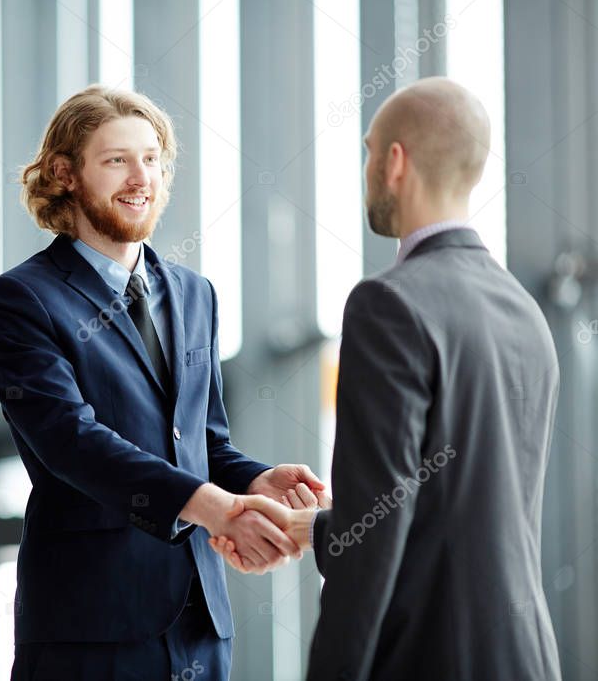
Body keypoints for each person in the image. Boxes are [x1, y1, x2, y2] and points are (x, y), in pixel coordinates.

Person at [212, 77, 562, 680]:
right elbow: (444, 511)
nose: (368, 169)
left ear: (395, 162)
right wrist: (322, 529)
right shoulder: (522, 309)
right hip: (523, 655)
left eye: (370, 152)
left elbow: (376, 545)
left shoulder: (388, 304)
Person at [0, 85, 327, 680]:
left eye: (152, 158)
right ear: (65, 174)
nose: (142, 177)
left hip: (200, 623)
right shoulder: (20, 299)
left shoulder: (195, 294)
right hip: (89, 627)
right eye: (117, 160)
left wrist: (253, 479)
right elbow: (70, 441)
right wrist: (216, 508)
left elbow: (201, 442)